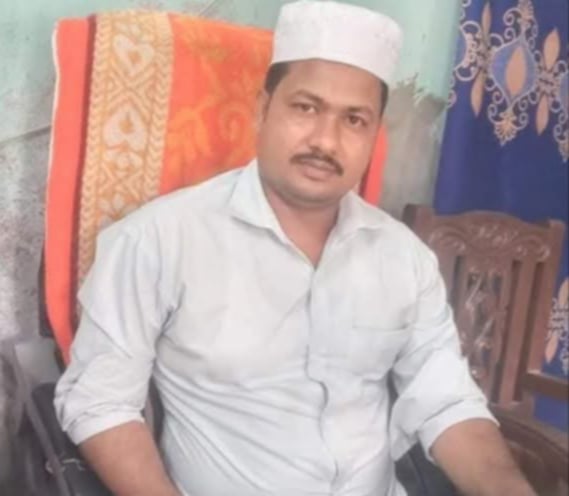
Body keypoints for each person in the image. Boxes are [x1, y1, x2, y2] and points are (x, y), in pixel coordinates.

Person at [54, 1, 537, 495]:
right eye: (306, 108)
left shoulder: (404, 258)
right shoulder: (160, 240)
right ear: (263, 110)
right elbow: (100, 402)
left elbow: (445, 402)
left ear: (375, 134)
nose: (325, 141)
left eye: (354, 119)